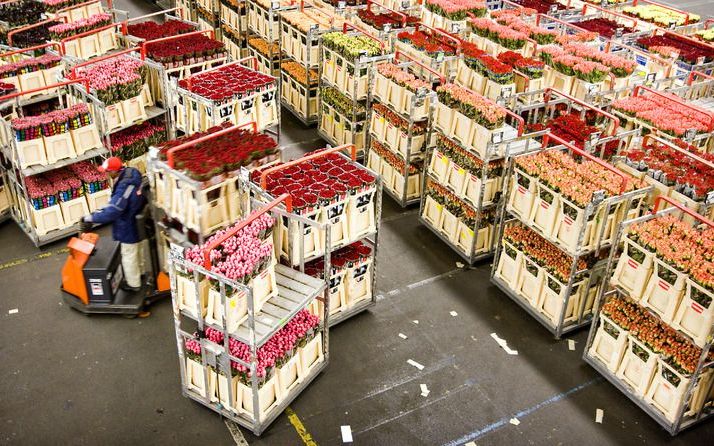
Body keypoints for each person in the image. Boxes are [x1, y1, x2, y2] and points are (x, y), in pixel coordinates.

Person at [81, 157, 146, 292]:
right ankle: (141, 274)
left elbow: (113, 211)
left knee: (129, 254)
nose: (106, 174)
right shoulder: (132, 172)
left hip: (128, 225)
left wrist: (91, 218)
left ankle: (134, 285)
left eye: (107, 171)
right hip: (138, 219)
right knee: (137, 251)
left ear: (113, 172)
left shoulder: (123, 187)